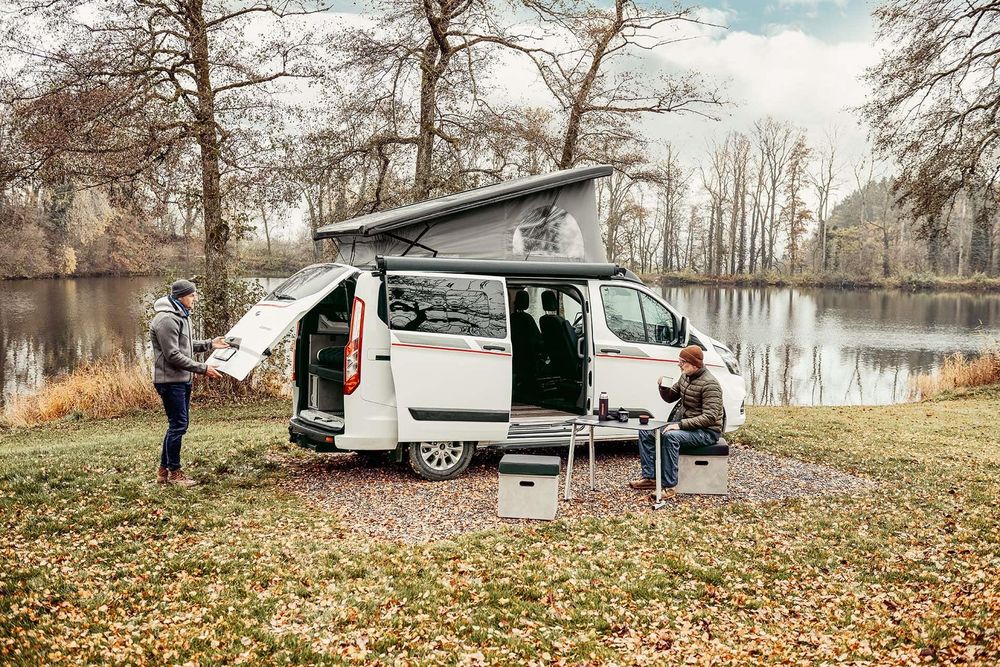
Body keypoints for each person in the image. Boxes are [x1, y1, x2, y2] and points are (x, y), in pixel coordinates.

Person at [149, 279, 230, 486]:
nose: (195, 298)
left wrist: (210, 344)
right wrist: (203, 369)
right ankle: (174, 473)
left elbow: (184, 345)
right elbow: (173, 355)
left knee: (177, 426)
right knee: (178, 426)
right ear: (181, 297)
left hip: (181, 379)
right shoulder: (166, 319)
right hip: (170, 381)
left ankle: (163, 472)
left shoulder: (180, 315)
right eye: (192, 295)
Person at [629, 345, 723, 500]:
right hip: (687, 426)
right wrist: (663, 387)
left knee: (670, 437)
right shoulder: (685, 376)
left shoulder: (710, 385)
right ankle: (650, 478)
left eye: (682, 362)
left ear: (694, 364)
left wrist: (679, 425)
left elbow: (710, 417)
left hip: (707, 432)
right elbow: (670, 397)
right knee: (646, 431)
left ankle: (669, 487)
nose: (679, 365)